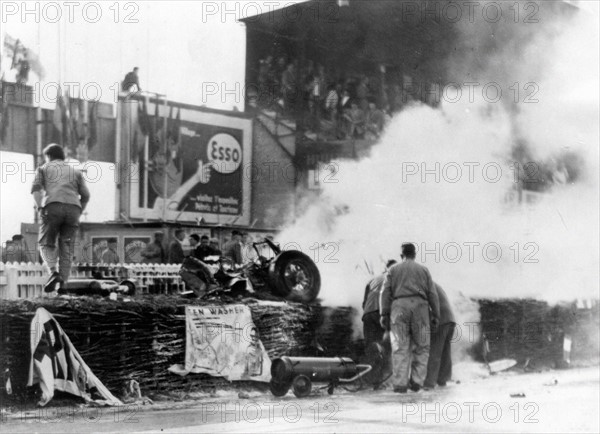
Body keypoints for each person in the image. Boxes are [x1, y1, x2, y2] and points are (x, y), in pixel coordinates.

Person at [380, 242, 440, 393]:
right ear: (414, 254)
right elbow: (432, 294)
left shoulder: (393, 269)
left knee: (400, 347)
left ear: (402, 255)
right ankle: (416, 381)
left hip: (399, 306)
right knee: (422, 346)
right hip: (420, 307)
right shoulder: (424, 270)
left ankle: (400, 384)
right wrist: (436, 314)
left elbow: (385, 292)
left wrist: (383, 313)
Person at [31, 143, 90, 292]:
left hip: (53, 206)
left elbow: (36, 190)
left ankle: (53, 273)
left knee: (45, 243)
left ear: (49, 156)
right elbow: (86, 195)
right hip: (74, 209)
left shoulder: (43, 168)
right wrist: (78, 211)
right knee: (67, 248)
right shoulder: (75, 172)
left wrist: (40, 207)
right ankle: (62, 285)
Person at [362, 259, 397, 387]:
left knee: (371, 346)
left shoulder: (373, 279)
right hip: (383, 314)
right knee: (387, 346)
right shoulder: (394, 278)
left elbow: (364, 303)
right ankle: (383, 381)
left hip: (368, 314)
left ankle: (371, 380)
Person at [424, 283, 456, 389]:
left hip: (441, 320)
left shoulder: (423, 286)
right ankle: (443, 379)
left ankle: (429, 382)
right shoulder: (434, 285)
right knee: (445, 351)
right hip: (450, 319)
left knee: (435, 351)